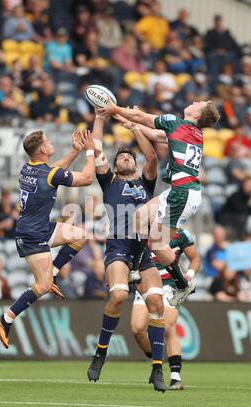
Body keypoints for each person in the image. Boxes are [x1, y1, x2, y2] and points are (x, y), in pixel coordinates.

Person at [98, 99, 220, 306]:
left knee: (157, 243)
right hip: (181, 190)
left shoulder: (176, 122)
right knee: (140, 217)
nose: (194, 101)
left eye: (199, 103)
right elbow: (155, 135)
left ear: (197, 115)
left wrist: (115, 110)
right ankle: (135, 269)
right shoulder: (191, 132)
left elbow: (142, 116)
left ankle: (182, 284)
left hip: (182, 193)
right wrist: (135, 128)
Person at [0, 129, 96, 349]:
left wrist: (74, 150)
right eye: (48, 142)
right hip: (32, 235)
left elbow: (54, 171)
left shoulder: (28, 167)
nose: (51, 143)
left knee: (80, 237)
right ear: (42, 149)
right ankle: (6, 318)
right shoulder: (48, 174)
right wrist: (89, 152)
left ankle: (55, 274)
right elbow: (87, 178)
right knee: (41, 285)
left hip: (39, 227)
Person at [86, 112, 167, 392]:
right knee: (119, 295)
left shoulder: (145, 183)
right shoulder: (109, 183)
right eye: (120, 156)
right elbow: (96, 149)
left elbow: (153, 158)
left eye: (128, 157)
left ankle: (157, 370)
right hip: (119, 245)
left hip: (142, 249)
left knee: (157, 306)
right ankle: (101, 352)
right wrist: (99, 117)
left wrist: (135, 129)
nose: (124, 158)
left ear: (134, 163)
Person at [131, 229, 200, 390]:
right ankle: (157, 359)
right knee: (137, 329)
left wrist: (188, 276)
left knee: (168, 327)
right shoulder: (143, 231)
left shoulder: (181, 234)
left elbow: (195, 258)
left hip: (170, 285)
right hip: (146, 283)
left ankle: (175, 376)